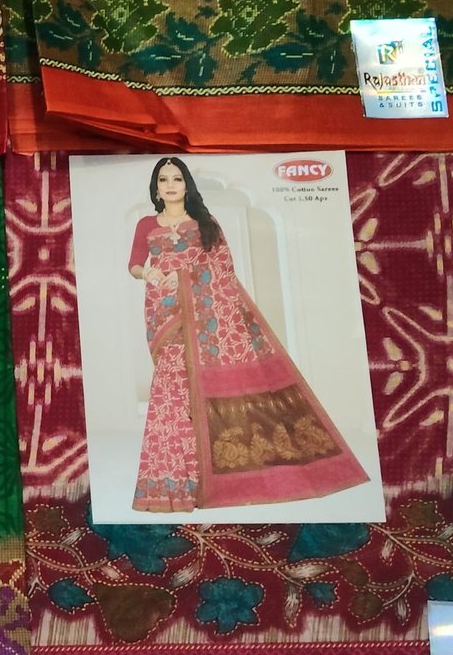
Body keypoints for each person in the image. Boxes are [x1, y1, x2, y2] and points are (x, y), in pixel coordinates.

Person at [127, 158, 368, 511]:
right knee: (171, 391)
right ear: (156, 188)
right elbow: (134, 263)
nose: (170, 185)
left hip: (206, 318)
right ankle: (173, 481)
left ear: (187, 185)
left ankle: (204, 481)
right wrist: (147, 274)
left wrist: (187, 281)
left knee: (197, 388)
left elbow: (223, 271)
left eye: (177, 178)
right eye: (163, 179)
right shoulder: (146, 224)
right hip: (166, 314)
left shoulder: (206, 223)